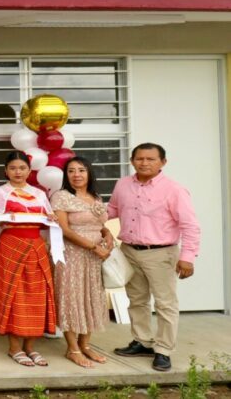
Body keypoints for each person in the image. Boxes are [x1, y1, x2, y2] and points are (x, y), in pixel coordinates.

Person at [108, 143, 201, 372]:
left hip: (161, 253)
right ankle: (142, 341)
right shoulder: (123, 185)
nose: (144, 163)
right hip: (129, 251)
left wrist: (188, 257)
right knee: (137, 300)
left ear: (163, 162)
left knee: (165, 304)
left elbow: (190, 226)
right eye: (140, 159)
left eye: (151, 159)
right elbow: (111, 210)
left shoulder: (174, 190)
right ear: (132, 161)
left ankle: (163, 350)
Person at [0, 151, 57, 367]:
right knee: (14, 294)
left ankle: (31, 347)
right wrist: (4, 218)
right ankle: (15, 348)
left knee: (37, 294)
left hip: (36, 247)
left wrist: (50, 218)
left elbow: (45, 223)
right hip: (11, 246)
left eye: (22, 168)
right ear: (6, 170)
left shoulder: (39, 193)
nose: (18, 172)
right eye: (13, 168)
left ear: (29, 170)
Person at [51, 157, 115, 368]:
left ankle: (85, 344)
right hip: (72, 255)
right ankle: (73, 348)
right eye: (71, 171)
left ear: (89, 173)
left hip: (95, 258)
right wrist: (94, 246)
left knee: (91, 297)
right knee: (72, 298)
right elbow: (65, 230)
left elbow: (100, 224)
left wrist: (108, 235)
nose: (76, 174)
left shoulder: (95, 196)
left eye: (81, 170)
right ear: (66, 175)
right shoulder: (61, 196)